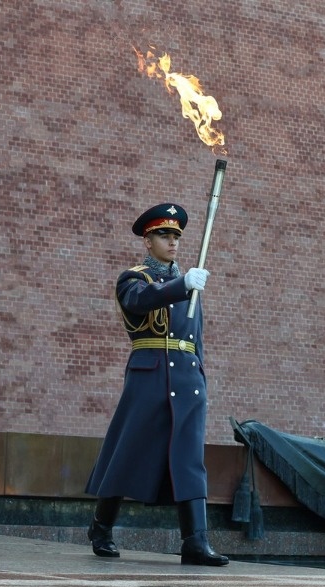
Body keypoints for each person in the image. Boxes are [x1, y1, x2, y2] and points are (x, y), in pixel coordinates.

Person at [84, 202, 228, 566]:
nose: (172, 241)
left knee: (190, 457)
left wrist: (199, 371)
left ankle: (195, 541)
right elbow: (141, 302)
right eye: (164, 234)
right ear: (148, 241)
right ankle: (101, 526)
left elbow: (195, 337)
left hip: (186, 376)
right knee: (128, 451)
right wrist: (182, 284)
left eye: (176, 235)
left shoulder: (189, 283)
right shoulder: (134, 278)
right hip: (149, 376)